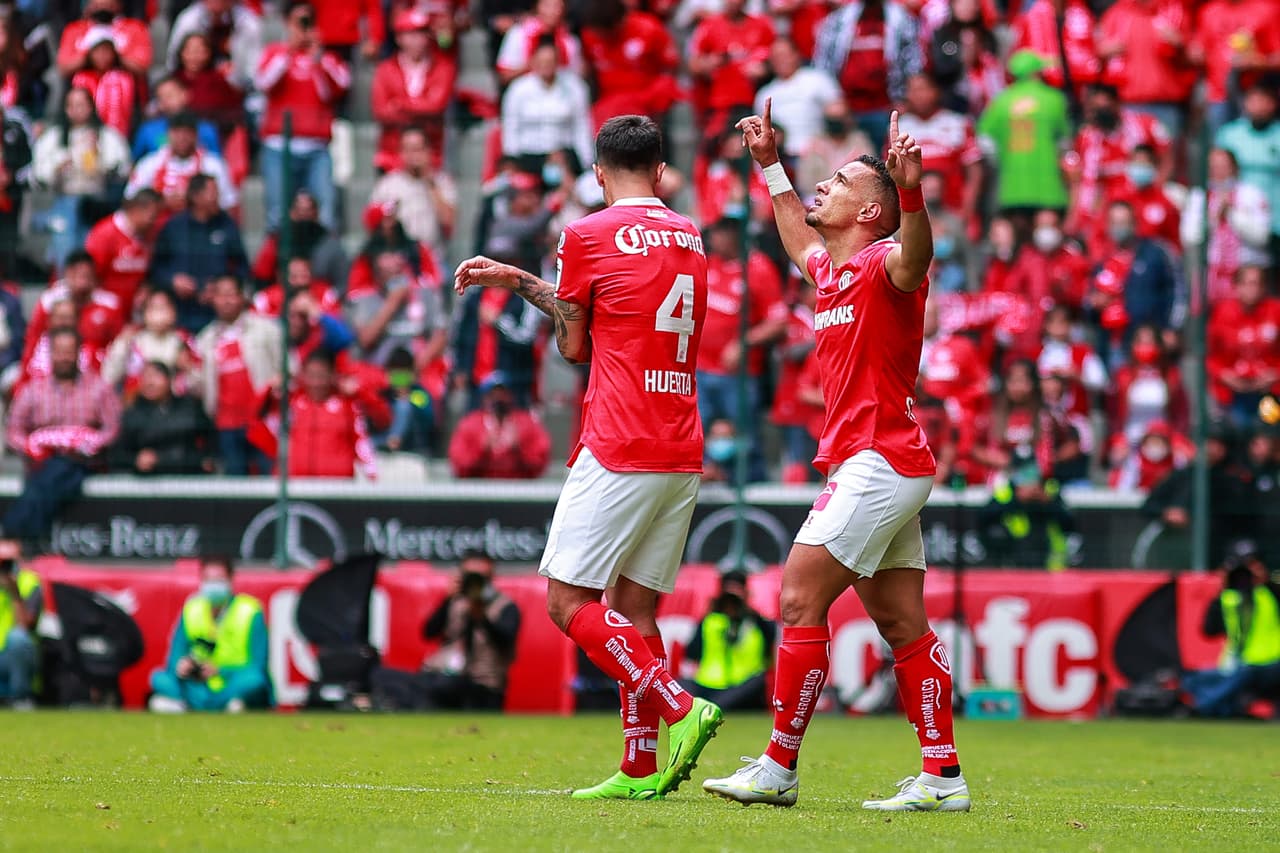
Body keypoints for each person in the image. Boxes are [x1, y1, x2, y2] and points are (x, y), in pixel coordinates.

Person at [703, 103, 968, 811]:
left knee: (797, 595)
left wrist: (912, 191)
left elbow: (917, 255)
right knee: (902, 625)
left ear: (871, 211)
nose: (825, 184)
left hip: (879, 460)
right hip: (880, 463)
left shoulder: (885, 265)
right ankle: (943, 776)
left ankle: (778, 766)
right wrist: (770, 165)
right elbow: (796, 232)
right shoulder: (829, 270)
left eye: (841, 181)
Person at [454, 115, 723, 800]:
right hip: (680, 441)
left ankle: (680, 707)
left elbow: (575, 345)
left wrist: (537, 289)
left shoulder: (585, 234)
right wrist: (521, 279)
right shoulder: (691, 234)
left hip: (619, 438)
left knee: (568, 599)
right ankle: (638, 767)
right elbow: (625, 318)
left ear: (598, 174)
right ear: (659, 172)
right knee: (635, 607)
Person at [3, 328, 121, 540]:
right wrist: (30, 446)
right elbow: (14, 430)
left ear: (78, 353)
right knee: (56, 470)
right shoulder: (33, 390)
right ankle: (30, 538)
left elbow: (113, 428)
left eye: (69, 352)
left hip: (86, 464)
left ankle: (13, 531)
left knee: (60, 470)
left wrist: (91, 443)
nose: (64, 357)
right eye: (59, 352)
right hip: (43, 464)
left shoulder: (99, 388)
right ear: (51, 354)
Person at [697, 219, 788, 482]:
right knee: (699, 435)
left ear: (737, 233)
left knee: (744, 439)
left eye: (724, 231)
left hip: (739, 375)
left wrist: (744, 342)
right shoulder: (708, 262)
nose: (716, 237)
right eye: (715, 231)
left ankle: (749, 490)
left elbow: (778, 322)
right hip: (700, 368)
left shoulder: (758, 268)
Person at [255, 0, 350, 231]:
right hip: (279, 146)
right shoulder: (275, 53)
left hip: (317, 147)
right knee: (277, 215)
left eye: (308, 22)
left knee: (325, 215)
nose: (304, 27)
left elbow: (337, 89)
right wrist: (289, 49)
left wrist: (318, 59)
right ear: (287, 23)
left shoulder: (326, 58)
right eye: (298, 22)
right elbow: (264, 83)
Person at [149, 555, 271, 713]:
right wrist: (183, 666)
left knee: (254, 680)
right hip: (198, 684)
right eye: (209, 580)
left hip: (232, 682)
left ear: (230, 579)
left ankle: (199, 705)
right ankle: (211, 705)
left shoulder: (249, 611)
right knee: (159, 678)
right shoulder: (192, 608)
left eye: (218, 580)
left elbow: (258, 665)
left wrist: (219, 670)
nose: (213, 585)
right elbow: (174, 657)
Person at [31, 86, 131, 272]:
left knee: (95, 251)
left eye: (81, 105)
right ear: (65, 108)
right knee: (65, 248)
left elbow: (123, 169)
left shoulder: (107, 136)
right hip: (64, 199)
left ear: (91, 107)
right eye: (72, 105)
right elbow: (38, 175)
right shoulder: (53, 137)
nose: (76, 110)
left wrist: (101, 157)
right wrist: (58, 166)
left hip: (99, 201)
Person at [193, 276, 283, 476]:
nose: (226, 301)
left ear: (242, 297)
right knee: (235, 482)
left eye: (231, 294)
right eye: (220, 295)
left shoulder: (266, 329)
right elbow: (198, 384)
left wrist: (279, 382)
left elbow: (288, 366)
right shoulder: (205, 339)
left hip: (262, 420)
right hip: (226, 425)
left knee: (270, 475)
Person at [1185, 541, 1280, 717]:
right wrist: (1224, 586)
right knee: (1193, 677)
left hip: (1271, 666)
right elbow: (1209, 631)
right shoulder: (1228, 598)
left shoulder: (1270, 593)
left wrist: (1265, 579)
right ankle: (1206, 705)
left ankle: (1202, 707)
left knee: (1243, 675)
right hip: (1238, 666)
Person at [977, 51, 1070, 229]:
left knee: (1018, 233)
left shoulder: (1001, 101)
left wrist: (999, 160)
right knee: (1046, 231)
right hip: (1048, 184)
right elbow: (1064, 142)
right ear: (1036, 73)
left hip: (1012, 186)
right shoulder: (1055, 99)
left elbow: (984, 141)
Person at [418, 551, 521, 710]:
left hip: (483, 685)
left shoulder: (505, 606)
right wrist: (447, 599)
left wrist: (482, 617)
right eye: (469, 577)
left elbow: (505, 641)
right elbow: (428, 632)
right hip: (445, 676)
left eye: (480, 578)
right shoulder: (455, 602)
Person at [149, 174, 249, 334]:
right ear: (196, 197)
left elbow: (242, 267)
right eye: (213, 192)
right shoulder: (174, 227)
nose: (217, 197)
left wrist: (220, 288)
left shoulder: (226, 225)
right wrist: (173, 281)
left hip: (218, 317)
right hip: (180, 313)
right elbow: (156, 268)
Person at [812, 0, 921, 144]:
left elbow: (913, 62)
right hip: (846, 108)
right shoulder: (838, 20)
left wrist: (903, 99)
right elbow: (823, 63)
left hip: (887, 107)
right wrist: (832, 98)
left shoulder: (902, 19)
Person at [370, 7, 457, 172]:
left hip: (431, 158)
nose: (417, 40)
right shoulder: (386, 69)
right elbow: (381, 111)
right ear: (399, 38)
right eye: (411, 34)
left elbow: (436, 106)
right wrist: (421, 108)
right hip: (392, 157)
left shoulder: (443, 68)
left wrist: (400, 104)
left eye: (421, 34)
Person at [1181, 148, 1272, 305]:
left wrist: (1231, 213)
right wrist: (1213, 218)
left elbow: (1261, 236)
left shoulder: (1252, 194)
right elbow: (1189, 238)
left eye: (1223, 166)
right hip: (1210, 277)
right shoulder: (1199, 197)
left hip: (1246, 279)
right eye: (1214, 167)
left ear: (1234, 168)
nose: (1219, 172)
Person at [683, 570, 775, 710]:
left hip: (743, 686)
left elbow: (771, 652)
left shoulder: (757, 623)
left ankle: (710, 707)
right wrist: (711, 611)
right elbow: (691, 654)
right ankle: (710, 705)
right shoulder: (710, 621)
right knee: (681, 683)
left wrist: (746, 609)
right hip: (708, 684)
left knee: (760, 680)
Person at [500, 39, 593, 178]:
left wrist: (587, 161)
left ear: (558, 62)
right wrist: (512, 160)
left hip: (564, 153)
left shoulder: (575, 87)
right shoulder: (518, 89)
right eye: (542, 62)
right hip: (530, 155)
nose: (546, 66)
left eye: (550, 61)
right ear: (533, 62)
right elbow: (511, 126)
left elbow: (581, 125)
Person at [368, 127, 457, 267]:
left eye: (417, 149)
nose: (413, 156)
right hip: (399, 261)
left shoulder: (441, 182)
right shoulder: (387, 185)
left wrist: (430, 183)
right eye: (408, 150)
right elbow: (374, 226)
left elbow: (448, 222)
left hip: (434, 260)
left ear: (428, 151)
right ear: (401, 152)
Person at [978, 444, 1075, 569]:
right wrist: (1016, 501)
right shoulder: (1005, 491)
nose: (1027, 474)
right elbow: (983, 518)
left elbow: (1070, 524)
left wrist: (1046, 502)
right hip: (1015, 563)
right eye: (1021, 469)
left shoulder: (1050, 489)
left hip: (1050, 565)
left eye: (1030, 467)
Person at [125, 111, 238, 216]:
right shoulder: (149, 163)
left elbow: (229, 204)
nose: (182, 138)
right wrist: (162, 202)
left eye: (187, 132)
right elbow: (130, 199)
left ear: (196, 135)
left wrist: (197, 201)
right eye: (177, 132)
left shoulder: (213, 165)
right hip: (158, 226)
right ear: (168, 134)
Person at [1216, 82, 1280, 267]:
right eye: (1253, 100)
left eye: (1264, 101)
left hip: (1276, 218)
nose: (1258, 106)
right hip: (1243, 214)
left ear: (1273, 104)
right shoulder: (1230, 134)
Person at [1207, 265, 1280, 427]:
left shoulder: (1275, 311)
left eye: (1257, 283)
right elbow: (1210, 355)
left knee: (1266, 431)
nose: (1252, 289)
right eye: (1246, 283)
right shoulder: (1223, 313)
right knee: (1226, 430)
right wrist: (1225, 375)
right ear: (1236, 287)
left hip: (1269, 392)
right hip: (1231, 393)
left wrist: (1275, 373)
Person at [110, 361, 214, 475]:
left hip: (187, 476)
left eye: (155, 376)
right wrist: (135, 460)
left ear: (169, 380)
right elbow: (118, 454)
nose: (149, 383)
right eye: (145, 377)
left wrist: (206, 459)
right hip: (148, 480)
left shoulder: (189, 408)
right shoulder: (132, 414)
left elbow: (210, 439)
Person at [448, 372, 551, 479]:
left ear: (511, 396)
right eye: (493, 395)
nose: (498, 400)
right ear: (484, 398)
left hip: (517, 486)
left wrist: (519, 448)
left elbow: (540, 465)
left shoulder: (528, 423)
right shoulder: (470, 424)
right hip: (480, 486)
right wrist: (482, 449)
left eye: (503, 394)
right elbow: (459, 467)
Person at [753, 37, 841, 159]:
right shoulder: (764, 94)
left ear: (796, 55)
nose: (781, 61)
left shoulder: (818, 80)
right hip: (780, 156)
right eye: (776, 57)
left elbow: (839, 112)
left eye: (784, 55)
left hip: (817, 153)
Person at [101, 289, 195, 398]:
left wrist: (188, 368)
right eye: (153, 307)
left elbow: (200, 384)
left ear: (173, 312)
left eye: (162, 307)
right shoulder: (132, 340)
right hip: (137, 401)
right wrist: (122, 345)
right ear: (145, 313)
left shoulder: (184, 340)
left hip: (174, 402)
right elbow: (109, 377)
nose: (158, 313)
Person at [84, 188, 160, 312]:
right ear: (136, 210)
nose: (153, 221)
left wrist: (145, 289)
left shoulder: (150, 234)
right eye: (152, 216)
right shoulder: (104, 234)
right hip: (107, 310)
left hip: (135, 309)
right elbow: (91, 276)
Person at [131, 76, 222, 161]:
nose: (165, 101)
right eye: (160, 97)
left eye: (170, 95)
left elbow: (216, 163)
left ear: (186, 95)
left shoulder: (206, 130)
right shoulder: (148, 130)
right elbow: (136, 163)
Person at [0, 539, 40, 708]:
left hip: (14, 657)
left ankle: (20, 697)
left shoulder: (29, 582)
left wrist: (14, 593)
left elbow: (25, 626)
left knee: (18, 639)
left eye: (8, 563)